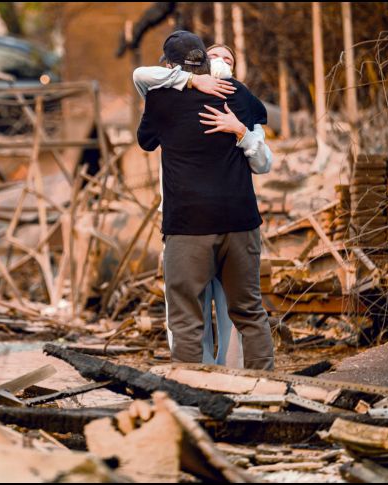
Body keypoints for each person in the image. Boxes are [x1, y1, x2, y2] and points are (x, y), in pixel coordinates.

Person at [137, 30, 274, 370]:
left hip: (188, 226)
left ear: (169, 64)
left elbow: (146, 140)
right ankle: (264, 389)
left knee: (186, 318)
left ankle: (190, 393)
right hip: (239, 222)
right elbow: (260, 114)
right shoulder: (239, 95)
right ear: (205, 61)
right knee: (250, 311)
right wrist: (239, 122)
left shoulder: (160, 99)